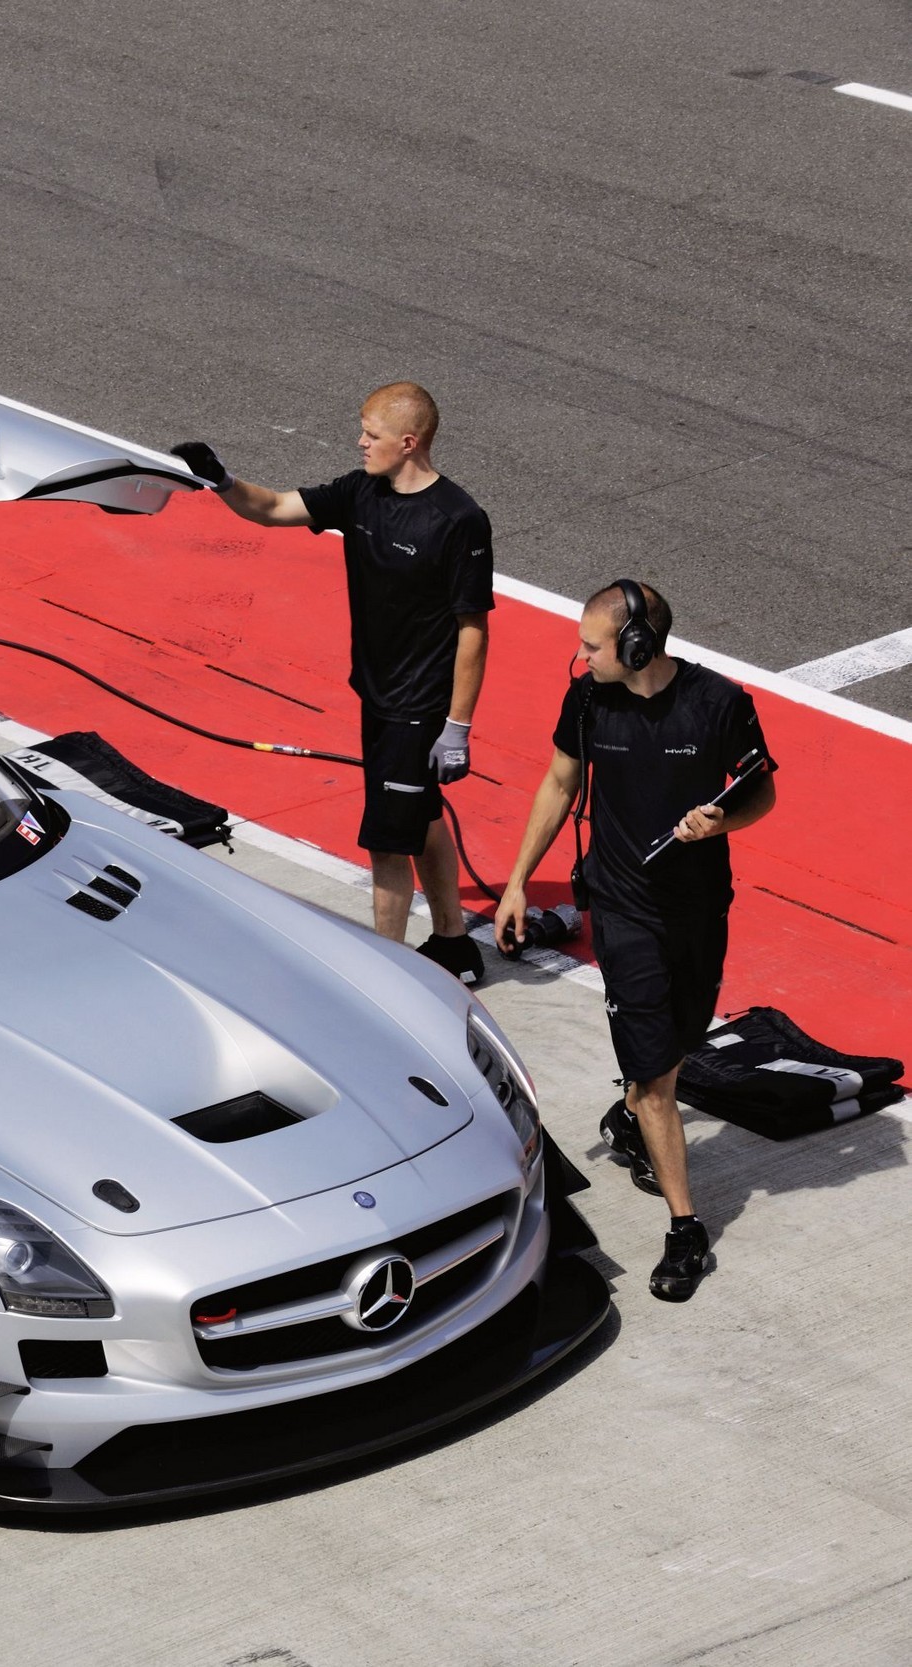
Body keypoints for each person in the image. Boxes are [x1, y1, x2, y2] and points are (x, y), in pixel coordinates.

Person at [494, 581, 776, 1303]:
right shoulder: (588, 700)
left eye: (592, 645)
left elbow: (760, 792)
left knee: (677, 1043)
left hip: (700, 908)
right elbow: (561, 782)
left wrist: (721, 823)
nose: (579, 657)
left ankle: (627, 1118)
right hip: (621, 909)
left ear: (639, 645)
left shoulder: (719, 702)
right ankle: (686, 1228)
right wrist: (519, 878)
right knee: (656, 1075)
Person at [175, 383, 493, 985]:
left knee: (385, 841)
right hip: (375, 691)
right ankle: (454, 944)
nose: (360, 441)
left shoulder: (458, 520)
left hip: (417, 705)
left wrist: (457, 726)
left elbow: (472, 629)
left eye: (371, 433)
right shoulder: (359, 492)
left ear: (408, 442)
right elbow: (270, 508)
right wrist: (221, 480)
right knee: (418, 815)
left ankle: (386, 976)